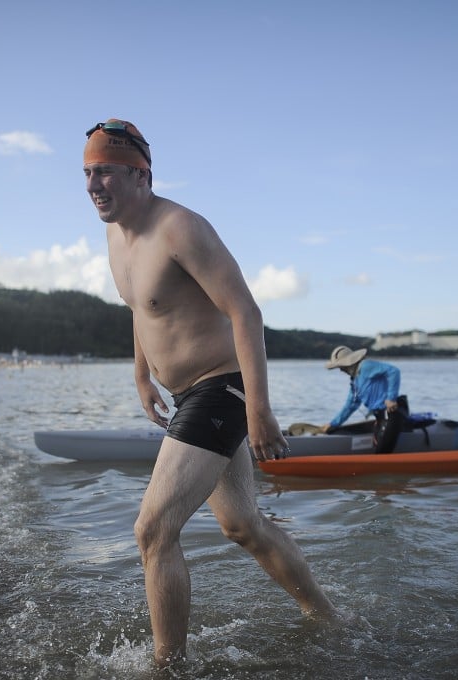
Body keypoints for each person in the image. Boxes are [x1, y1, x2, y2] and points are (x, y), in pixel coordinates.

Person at [83, 118, 340, 666]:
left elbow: (245, 311)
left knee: (152, 531)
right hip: (185, 395)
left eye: (104, 171)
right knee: (243, 525)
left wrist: (261, 410)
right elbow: (140, 306)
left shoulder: (180, 228)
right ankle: (327, 618)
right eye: (86, 172)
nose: (92, 184)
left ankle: (167, 665)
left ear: (139, 174)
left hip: (223, 389)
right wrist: (140, 374)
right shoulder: (115, 236)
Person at [321, 346, 407, 452]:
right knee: (378, 448)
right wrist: (333, 424)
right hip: (381, 418)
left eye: (341, 366)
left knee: (382, 453)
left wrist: (391, 398)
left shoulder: (366, 366)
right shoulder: (355, 382)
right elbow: (350, 405)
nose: (341, 370)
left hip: (392, 412)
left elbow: (393, 371)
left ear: (348, 362)